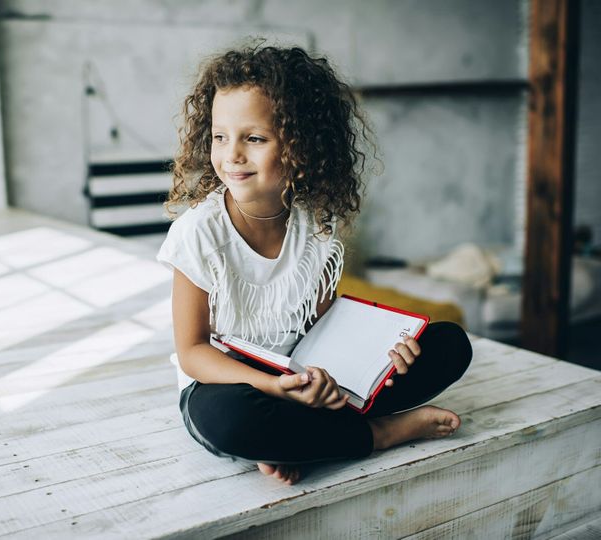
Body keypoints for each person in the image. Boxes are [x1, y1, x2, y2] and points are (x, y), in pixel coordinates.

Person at [157, 43, 472, 485]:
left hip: (308, 378)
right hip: (232, 386)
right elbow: (192, 354)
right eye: (219, 136)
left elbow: (323, 325)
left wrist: (380, 355)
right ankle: (376, 435)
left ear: (299, 145)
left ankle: (298, 440)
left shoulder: (315, 225)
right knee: (230, 421)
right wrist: (273, 386)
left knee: (449, 344)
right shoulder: (199, 233)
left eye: (254, 138)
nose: (231, 155)